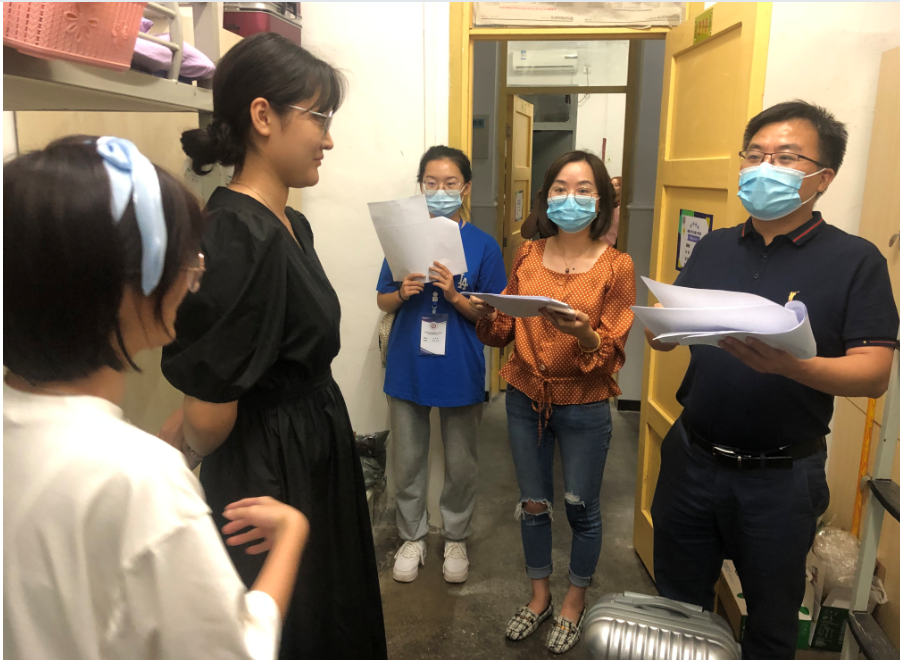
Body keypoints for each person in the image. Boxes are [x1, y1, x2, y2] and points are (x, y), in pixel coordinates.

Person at [3, 136, 309, 660]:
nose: (194, 274)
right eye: (183, 256)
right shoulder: (139, 479)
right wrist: (291, 537)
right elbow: (236, 650)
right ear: (127, 285)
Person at [158, 33, 388, 659]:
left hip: (310, 446)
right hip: (270, 468)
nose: (329, 139)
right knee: (297, 624)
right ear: (263, 116)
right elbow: (211, 407)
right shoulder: (236, 234)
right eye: (320, 118)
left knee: (330, 611)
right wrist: (170, 464)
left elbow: (239, 366)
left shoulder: (289, 223)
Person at [646, 101, 898, 660]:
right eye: (755, 155)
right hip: (692, 458)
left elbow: (874, 372)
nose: (764, 168)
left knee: (771, 622)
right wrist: (660, 331)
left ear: (823, 178)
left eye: (785, 158)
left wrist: (792, 367)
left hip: (781, 478)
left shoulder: (855, 261)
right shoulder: (715, 245)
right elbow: (677, 330)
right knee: (678, 612)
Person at [471, 150, 636, 654]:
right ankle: (539, 595)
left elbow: (611, 354)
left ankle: (573, 601)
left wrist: (584, 334)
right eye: (561, 189)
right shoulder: (527, 253)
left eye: (584, 190)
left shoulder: (617, 266)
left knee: (581, 506)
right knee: (534, 504)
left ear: (602, 201)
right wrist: (484, 310)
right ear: (546, 198)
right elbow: (503, 330)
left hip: (584, 402)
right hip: (524, 397)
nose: (571, 199)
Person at [376, 146, 507, 584]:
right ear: (420, 187)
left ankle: (455, 537)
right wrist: (402, 293)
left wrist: (453, 296)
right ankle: (411, 537)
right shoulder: (402, 238)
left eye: (450, 183)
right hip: (408, 363)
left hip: (460, 366)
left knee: (462, 462)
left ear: (466, 188)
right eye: (431, 183)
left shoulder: (484, 246)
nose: (440, 191)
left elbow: (492, 315)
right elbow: (382, 299)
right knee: (408, 459)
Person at [521, 172, 620, 246]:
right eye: (560, 189)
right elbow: (526, 233)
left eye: (582, 190)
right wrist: (539, 203)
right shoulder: (549, 206)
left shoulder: (589, 210)